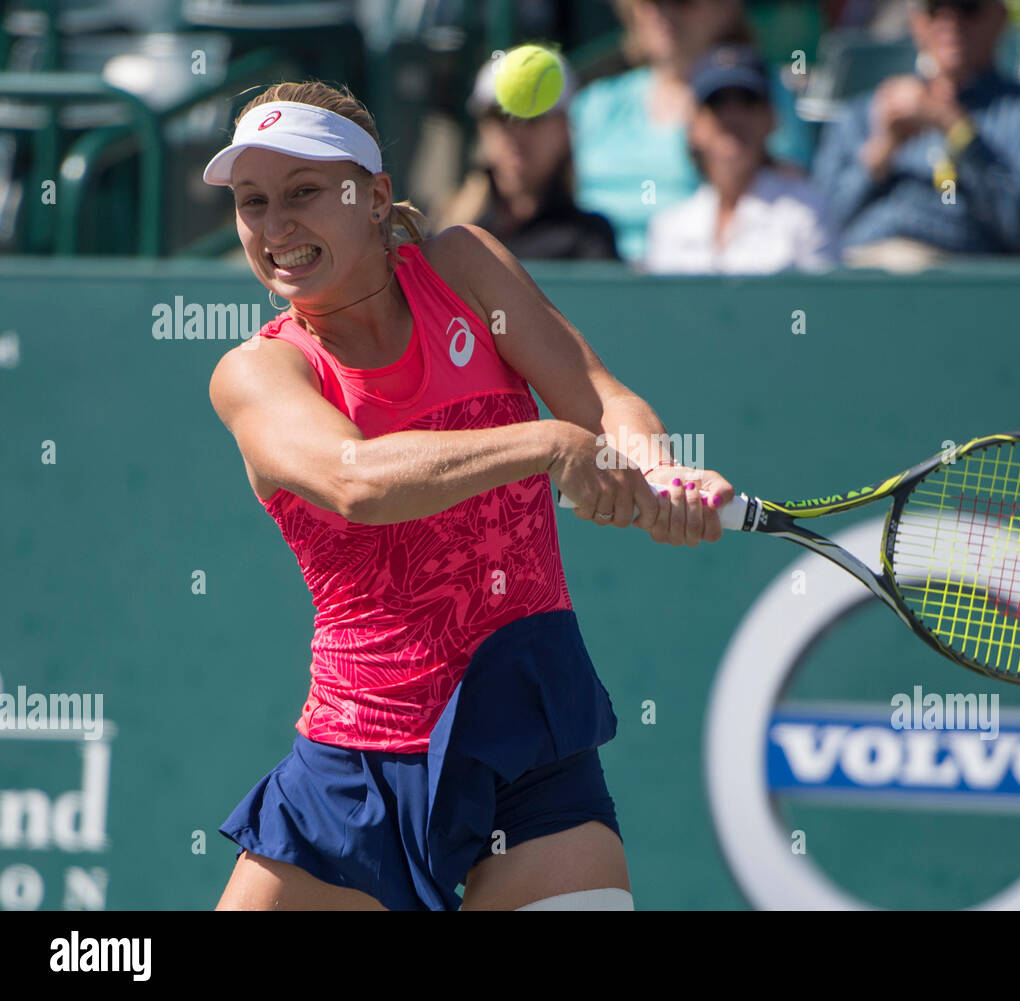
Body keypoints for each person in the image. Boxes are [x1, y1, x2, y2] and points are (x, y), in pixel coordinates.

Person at [202, 80, 734, 911]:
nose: (275, 228)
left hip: (529, 734)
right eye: (252, 203)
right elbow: (356, 479)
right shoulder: (257, 372)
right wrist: (548, 445)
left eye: (304, 193)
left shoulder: (464, 267)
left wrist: (660, 469)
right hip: (358, 774)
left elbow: (599, 397)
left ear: (375, 197)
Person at [811, 0, 1020, 264]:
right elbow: (817, 227)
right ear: (917, 22)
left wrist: (961, 133)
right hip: (859, 275)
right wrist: (880, 153)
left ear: (1000, 18)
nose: (950, 22)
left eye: (968, 7)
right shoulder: (867, 113)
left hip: (963, 287)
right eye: (935, 8)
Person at [569, 0, 815, 263]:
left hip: (698, 277)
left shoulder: (765, 96)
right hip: (589, 275)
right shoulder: (596, 103)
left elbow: (786, 193)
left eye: (682, 2)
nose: (664, 12)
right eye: (648, 2)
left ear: (726, 8)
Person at [646, 46, 837, 273]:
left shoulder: (808, 214)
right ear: (693, 125)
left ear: (770, 118)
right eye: (716, 103)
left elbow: (820, 305)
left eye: (747, 101)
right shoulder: (669, 227)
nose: (732, 116)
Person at [439, 55, 620, 260]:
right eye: (499, 115)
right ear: (483, 127)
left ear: (563, 128)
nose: (515, 131)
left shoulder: (591, 236)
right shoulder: (444, 225)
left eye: (532, 115)